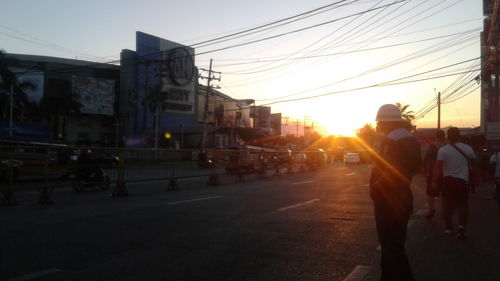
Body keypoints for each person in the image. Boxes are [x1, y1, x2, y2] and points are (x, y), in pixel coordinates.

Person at [369, 104, 421, 281]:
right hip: (403, 196)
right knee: (394, 244)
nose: (378, 126)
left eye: (379, 122)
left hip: (388, 199)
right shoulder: (410, 138)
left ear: (384, 122)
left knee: (391, 247)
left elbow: (391, 167)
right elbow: (413, 167)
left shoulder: (391, 139)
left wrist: (377, 185)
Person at [432, 127, 477, 240]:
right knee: (462, 205)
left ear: (448, 136)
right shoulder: (468, 148)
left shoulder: (443, 150)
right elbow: (475, 165)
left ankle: (448, 226)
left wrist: (434, 181)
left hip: (447, 181)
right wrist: (476, 178)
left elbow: (438, 168)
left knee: (447, 204)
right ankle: (461, 226)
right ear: (459, 136)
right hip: (463, 181)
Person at [423, 129, 446, 219]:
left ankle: (432, 209)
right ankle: (445, 210)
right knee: (445, 193)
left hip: (433, 172)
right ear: (444, 136)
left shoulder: (432, 146)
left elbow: (426, 158)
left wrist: (424, 169)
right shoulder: (447, 146)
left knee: (430, 193)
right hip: (446, 172)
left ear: (436, 136)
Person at [489, 146, 500, 215]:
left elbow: (492, 165)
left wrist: (492, 175)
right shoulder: (495, 155)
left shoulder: (495, 155)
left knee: (499, 192)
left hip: (498, 176)